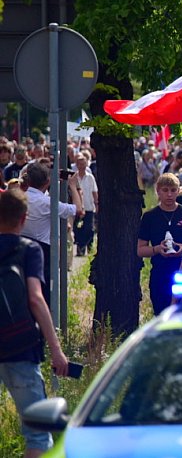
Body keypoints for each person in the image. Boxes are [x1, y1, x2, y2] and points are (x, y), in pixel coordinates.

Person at [0, 188, 69, 458]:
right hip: (20, 348)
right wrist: (56, 349)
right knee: (38, 433)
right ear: (24, 218)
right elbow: (36, 300)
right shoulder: (29, 250)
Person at [20, 161, 84, 303]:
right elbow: (78, 209)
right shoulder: (47, 203)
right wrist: (72, 186)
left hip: (20, 246)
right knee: (43, 291)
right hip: (42, 250)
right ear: (48, 181)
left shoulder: (19, 197)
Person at [136, 173, 182, 314]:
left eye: (173, 190)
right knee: (162, 314)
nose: (169, 195)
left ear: (179, 191)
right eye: (165, 190)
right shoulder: (150, 217)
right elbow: (140, 250)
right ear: (158, 191)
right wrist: (157, 249)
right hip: (160, 273)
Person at [73, 151, 98, 257]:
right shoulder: (74, 178)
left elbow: (94, 191)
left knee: (89, 228)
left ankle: (87, 246)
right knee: (77, 229)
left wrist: (97, 204)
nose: (82, 166)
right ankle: (80, 247)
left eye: (84, 164)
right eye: (80, 164)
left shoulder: (90, 177)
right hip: (77, 208)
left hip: (89, 207)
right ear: (77, 165)